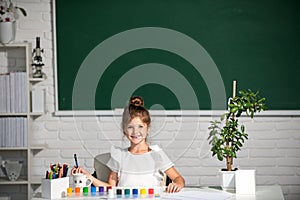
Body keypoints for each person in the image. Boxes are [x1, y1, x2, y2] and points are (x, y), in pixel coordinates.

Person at [72, 96, 185, 193]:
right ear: (124, 130)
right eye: (130, 127)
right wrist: (89, 177)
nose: (135, 132)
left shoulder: (156, 154)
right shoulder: (119, 155)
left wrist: (177, 184)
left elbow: (178, 178)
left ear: (148, 129)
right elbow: (111, 188)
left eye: (140, 127)